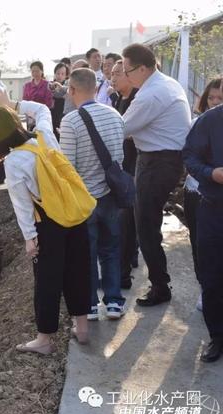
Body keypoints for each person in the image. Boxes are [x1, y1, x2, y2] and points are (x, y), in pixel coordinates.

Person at [0, 99, 91, 354]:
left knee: (47, 280)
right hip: (75, 215)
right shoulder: (44, 136)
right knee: (78, 270)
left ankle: (44, 340)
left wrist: (30, 239)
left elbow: (22, 206)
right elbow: (42, 109)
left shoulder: (14, 161)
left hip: (49, 224)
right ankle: (83, 328)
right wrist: (15, 104)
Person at [121, 43, 191, 306]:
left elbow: (123, 128)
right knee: (147, 224)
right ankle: (160, 282)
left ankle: (161, 287)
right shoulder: (165, 83)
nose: (126, 77)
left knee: (146, 226)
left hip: (157, 163)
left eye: (127, 71)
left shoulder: (152, 94)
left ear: (142, 68)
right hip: (160, 160)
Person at [60, 68, 126, 320]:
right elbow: (119, 157)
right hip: (111, 194)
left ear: (73, 89)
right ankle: (114, 302)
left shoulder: (71, 121)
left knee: (86, 252)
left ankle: (89, 306)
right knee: (110, 248)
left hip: (84, 198)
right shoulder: (115, 115)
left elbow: (68, 167)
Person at [182, 84, 223, 363]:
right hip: (213, 210)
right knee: (211, 277)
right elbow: (189, 157)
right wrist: (211, 173)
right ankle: (217, 337)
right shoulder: (210, 120)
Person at [110, 60, 140, 290]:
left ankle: (122, 275)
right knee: (125, 221)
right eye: (111, 74)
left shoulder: (138, 99)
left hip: (134, 166)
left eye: (118, 73)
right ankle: (125, 267)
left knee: (125, 221)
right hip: (121, 166)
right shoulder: (118, 98)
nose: (113, 78)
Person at [49, 63, 69, 140]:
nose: (60, 76)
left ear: (66, 75)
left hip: (62, 115)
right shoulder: (50, 85)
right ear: (54, 74)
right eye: (58, 73)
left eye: (62, 74)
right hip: (51, 114)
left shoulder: (67, 86)